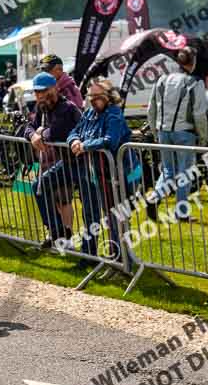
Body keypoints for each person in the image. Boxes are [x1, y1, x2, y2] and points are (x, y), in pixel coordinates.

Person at [66, 78, 138, 263]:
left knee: (118, 216)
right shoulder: (89, 113)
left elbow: (110, 140)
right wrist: (74, 140)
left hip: (122, 173)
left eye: (97, 97)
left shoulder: (113, 113)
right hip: (100, 173)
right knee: (106, 214)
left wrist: (84, 145)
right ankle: (114, 257)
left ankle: (123, 259)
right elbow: (74, 130)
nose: (93, 100)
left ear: (108, 96)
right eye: (91, 96)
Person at [148, 46, 208, 222]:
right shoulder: (195, 82)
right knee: (184, 173)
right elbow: (199, 114)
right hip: (185, 133)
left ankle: (154, 198)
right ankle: (181, 213)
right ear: (193, 62)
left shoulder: (161, 80)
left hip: (163, 131)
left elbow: (152, 109)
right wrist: (203, 139)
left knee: (168, 170)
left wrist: (154, 131)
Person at [24, 72, 82, 249]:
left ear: (55, 88)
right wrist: (33, 134)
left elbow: (58, 132)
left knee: (63, 199)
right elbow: (27, 127)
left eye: (44, 91)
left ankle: (67, 238)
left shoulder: (67, 108)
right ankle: (58, 232)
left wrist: (40, 133)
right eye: (37, 92)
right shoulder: (41, 107)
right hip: (56, 161)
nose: (40, 95)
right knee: (41, 188)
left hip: (77, 161)